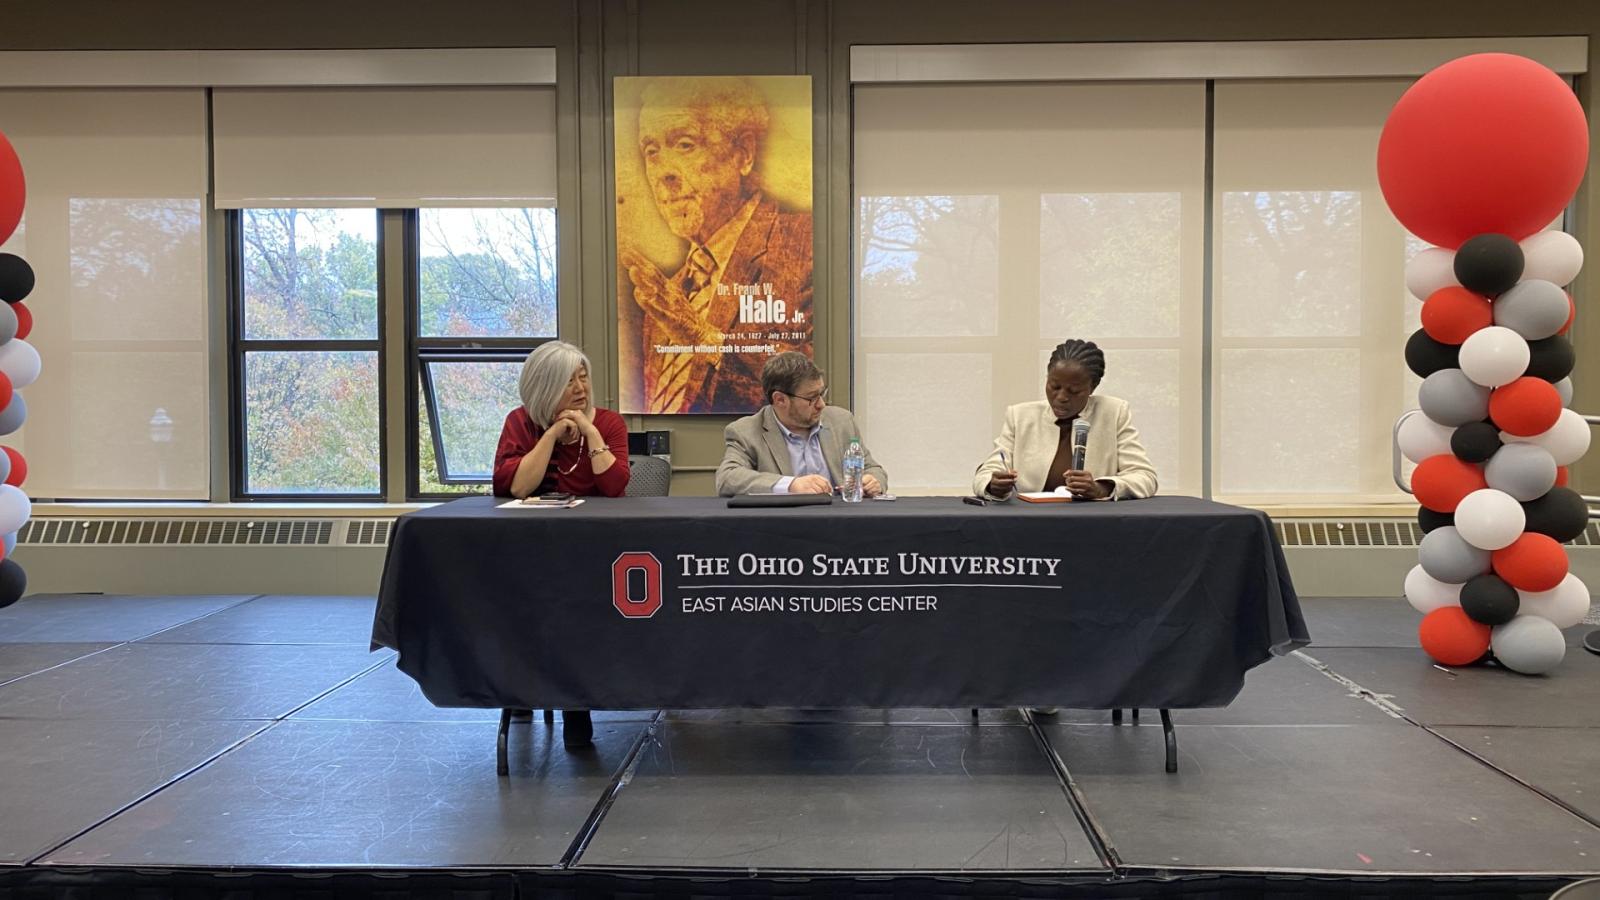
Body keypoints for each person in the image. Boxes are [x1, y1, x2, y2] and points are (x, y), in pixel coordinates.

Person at [620, 77, 813, 414]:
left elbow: (806, 394)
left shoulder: (801, 243)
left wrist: (699, 336)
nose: (663, 171)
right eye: (651, 151)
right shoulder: (667, 300)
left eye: (684, 144)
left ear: (743, 154)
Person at [492, 340, 630, 748]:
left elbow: (615, 486)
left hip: (591, 552)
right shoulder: (520, 423)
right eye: (569, 381)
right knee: (524, 601)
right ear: (545, 386)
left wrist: (588, 430)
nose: (581, 388)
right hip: (528, 549)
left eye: (583, 377)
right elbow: (516, 485)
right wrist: (552, 434)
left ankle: (575, 703)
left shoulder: (608, 424)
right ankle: (522, 685)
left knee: (572, 606)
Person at [972, 339, 1157, 502]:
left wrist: (1102, 489)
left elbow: (1145, 477)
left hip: (1095, 523)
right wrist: (992, 485)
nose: (1061, 397)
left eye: (1074, 391)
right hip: (1029, 521)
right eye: (1054, 386)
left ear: (1093, 387)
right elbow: (986, 472)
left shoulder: (1113, 413)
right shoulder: (1020, 416)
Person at [716, 351, 887, 497]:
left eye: (822, 393)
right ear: (780, 399)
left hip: (841, 525)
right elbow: (727, 478)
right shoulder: (746, 432)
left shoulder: (841, 421)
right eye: (811, 398)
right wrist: (792, 485)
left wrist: (873, 480)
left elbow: (873, 468)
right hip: (784, 528)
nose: (821, 404)